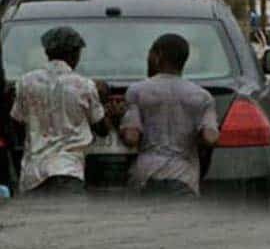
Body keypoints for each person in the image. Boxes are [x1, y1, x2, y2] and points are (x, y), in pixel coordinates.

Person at [9, 26, 111, 196]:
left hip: (33, 174)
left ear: (47, 52)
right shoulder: (84, 85)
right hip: (68, 171)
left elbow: (16, 122)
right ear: (75, 54)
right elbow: (102, 129)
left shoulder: (25, 82)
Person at [120, 34, 220, 198]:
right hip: (184, 177)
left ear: (158, 55)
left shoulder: (137, 91)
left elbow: (132, 138)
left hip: (146, 176)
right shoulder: (202, 97)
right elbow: (210, 137)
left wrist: (118, 124)